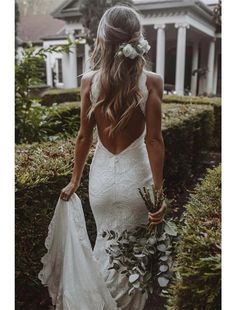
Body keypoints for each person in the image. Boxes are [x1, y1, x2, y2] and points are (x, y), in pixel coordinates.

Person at [60, 4, 166, 309]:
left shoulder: (88, 82)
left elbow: (84, 136)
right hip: (137, 183)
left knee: (104, 247)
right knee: (133, 258)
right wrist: (157, 194)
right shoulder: (152, 82)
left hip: (102, 183)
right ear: (137, 38)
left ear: (103, 39)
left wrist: (74, 180)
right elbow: (154, 141)